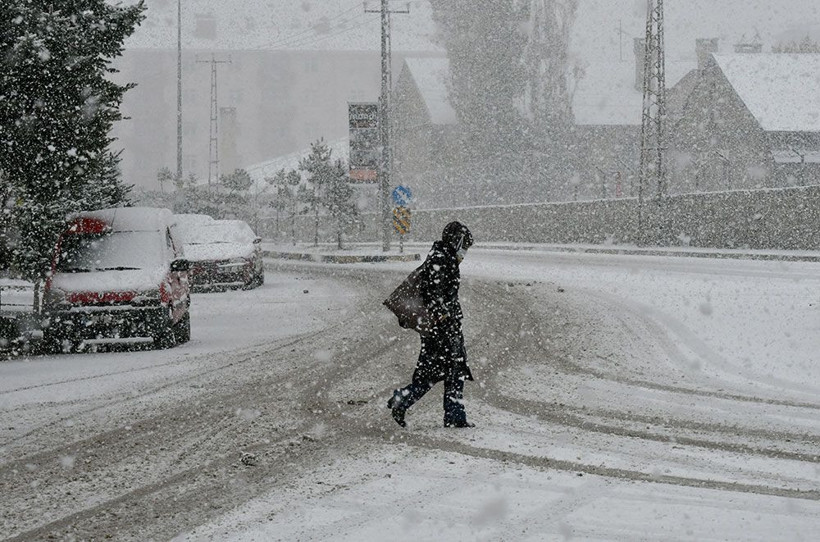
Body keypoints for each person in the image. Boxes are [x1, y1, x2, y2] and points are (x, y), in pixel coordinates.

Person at [387, 221, 475, 428]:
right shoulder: (442, 259)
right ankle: (449, 415)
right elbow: (432, 291)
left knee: (443, 371)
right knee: (446, 371)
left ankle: (408, 401)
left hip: (443, 326)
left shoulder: (442, 256)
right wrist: (442, 314)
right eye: (464, 246)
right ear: (457, 241)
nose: (464, 252)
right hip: (442, 328)